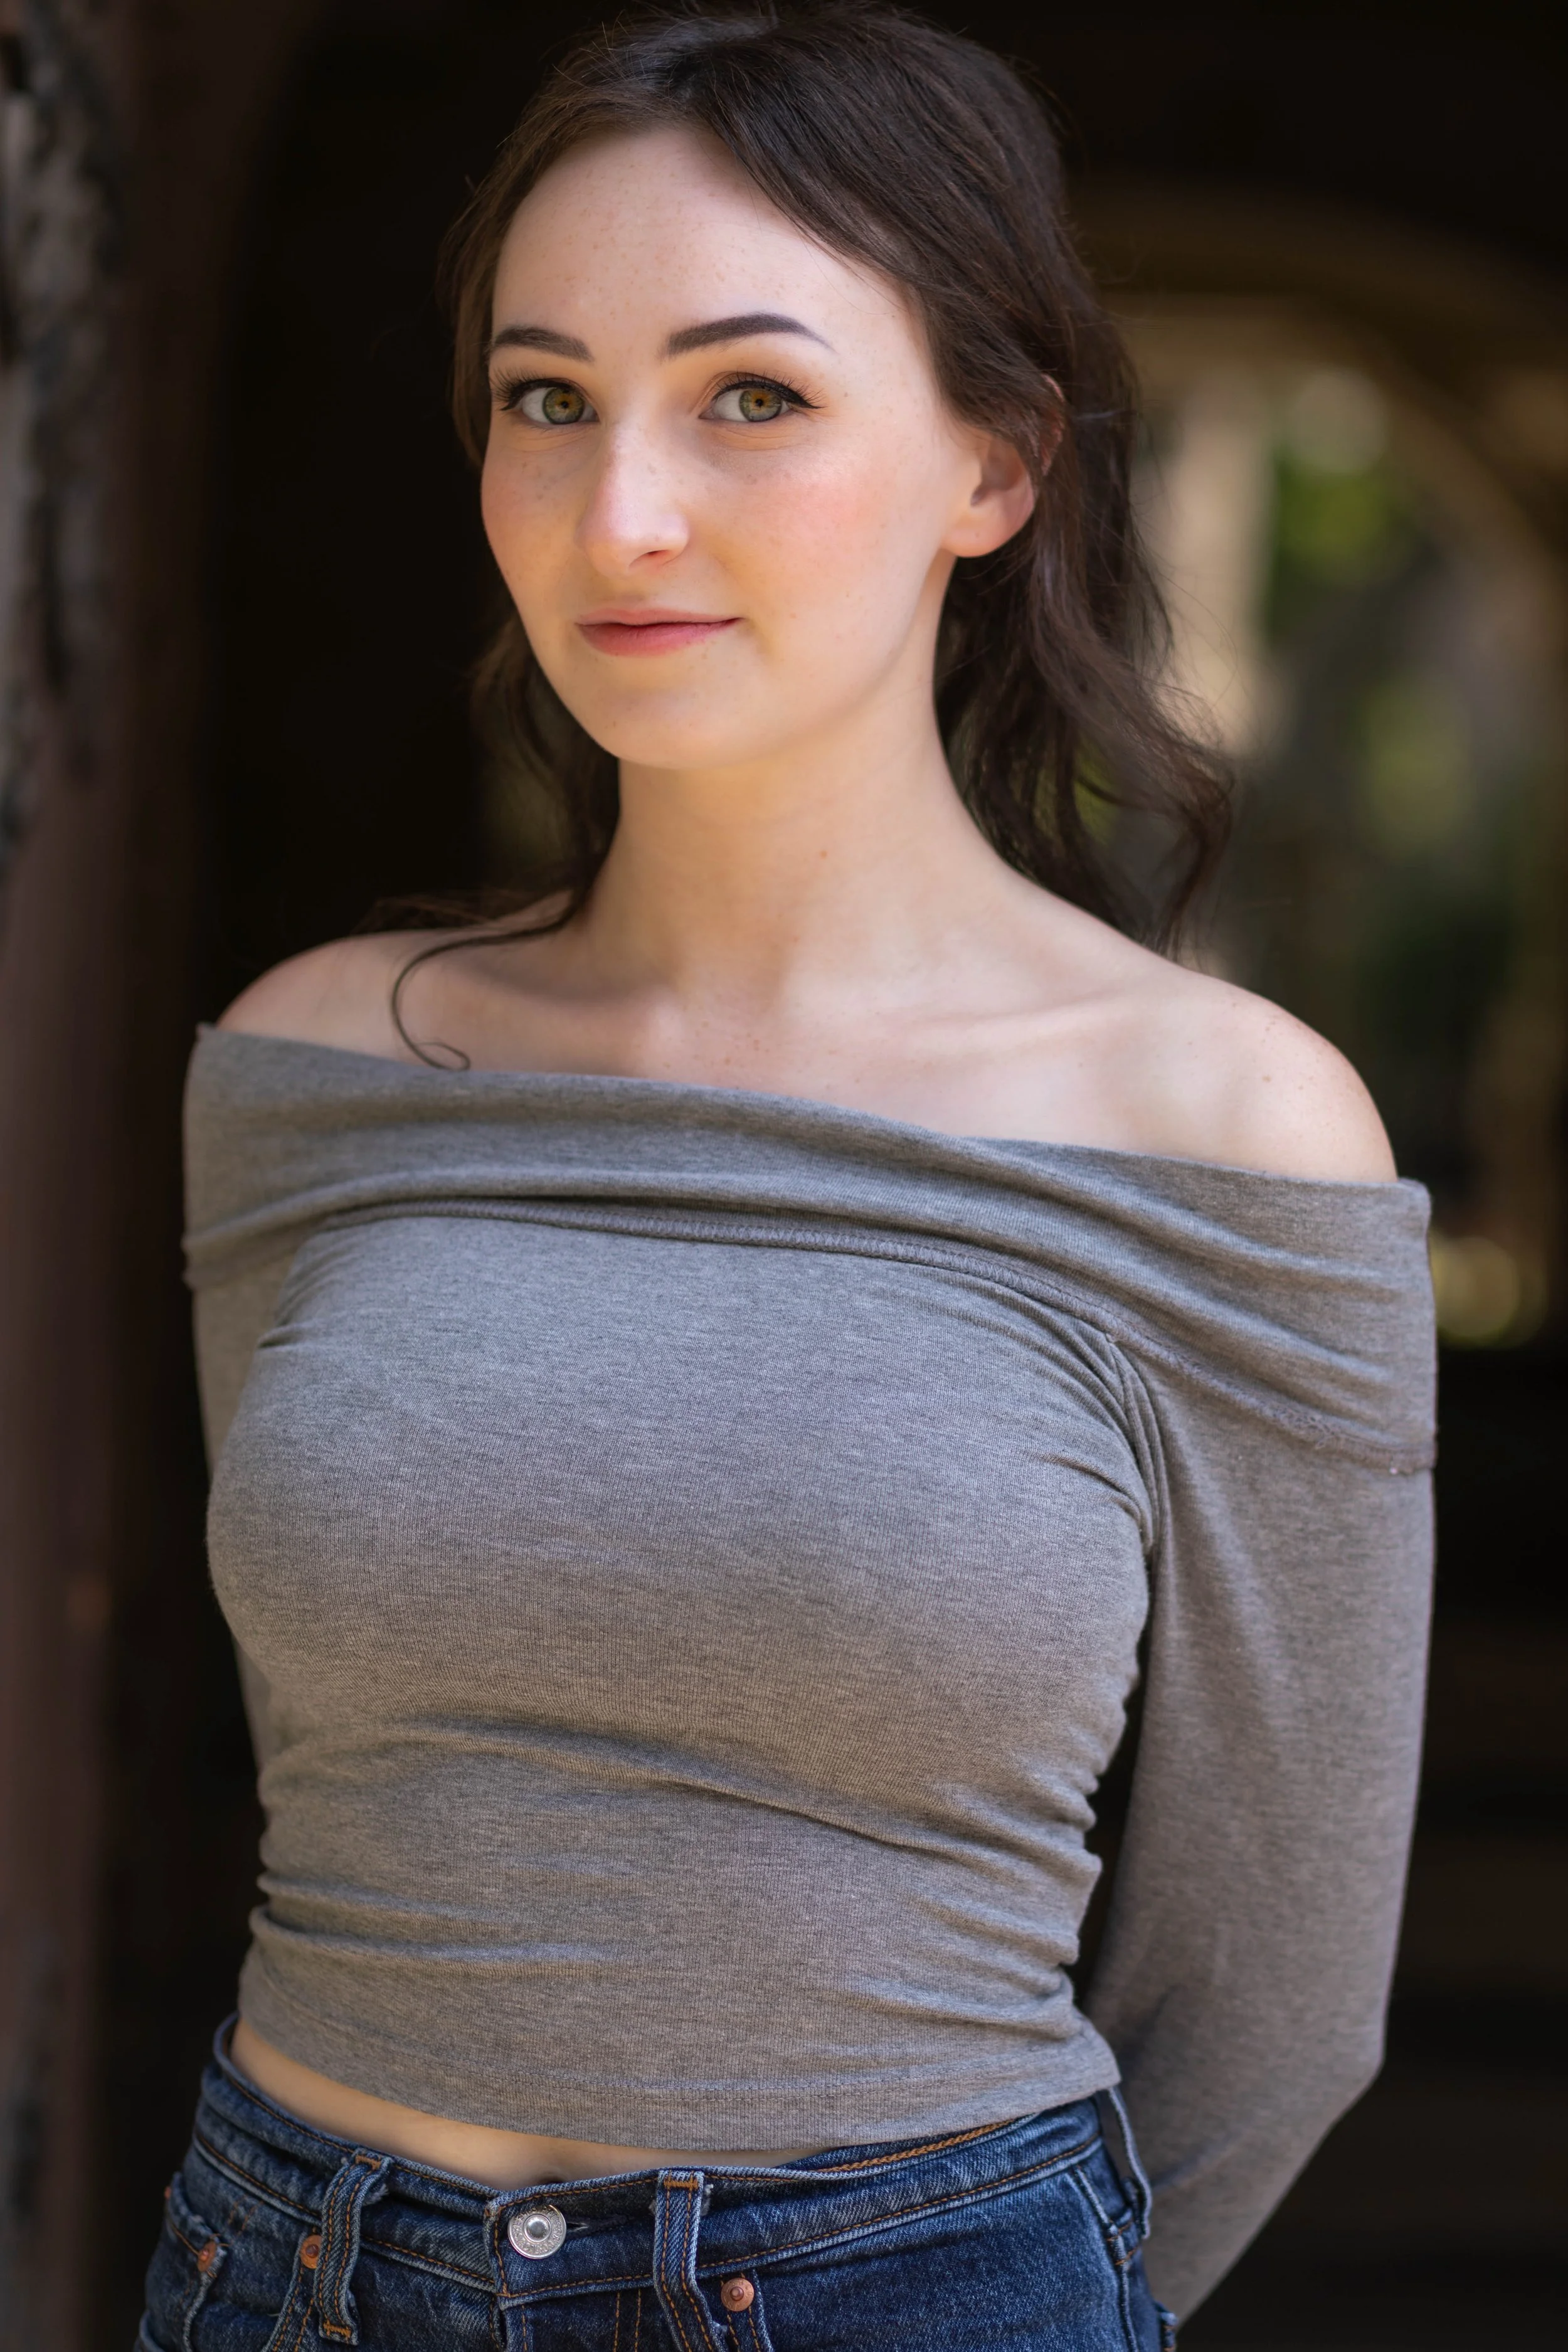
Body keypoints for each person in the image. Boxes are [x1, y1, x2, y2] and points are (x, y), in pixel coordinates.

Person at [140, 7, 1434, 2347]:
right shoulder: (322, 1061)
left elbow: (1269, 2003)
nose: (620, 508)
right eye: (548, 398)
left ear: (996, 464)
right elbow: (356, 1743)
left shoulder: (1222, 1133)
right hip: (283, 2273)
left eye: (750, 395)